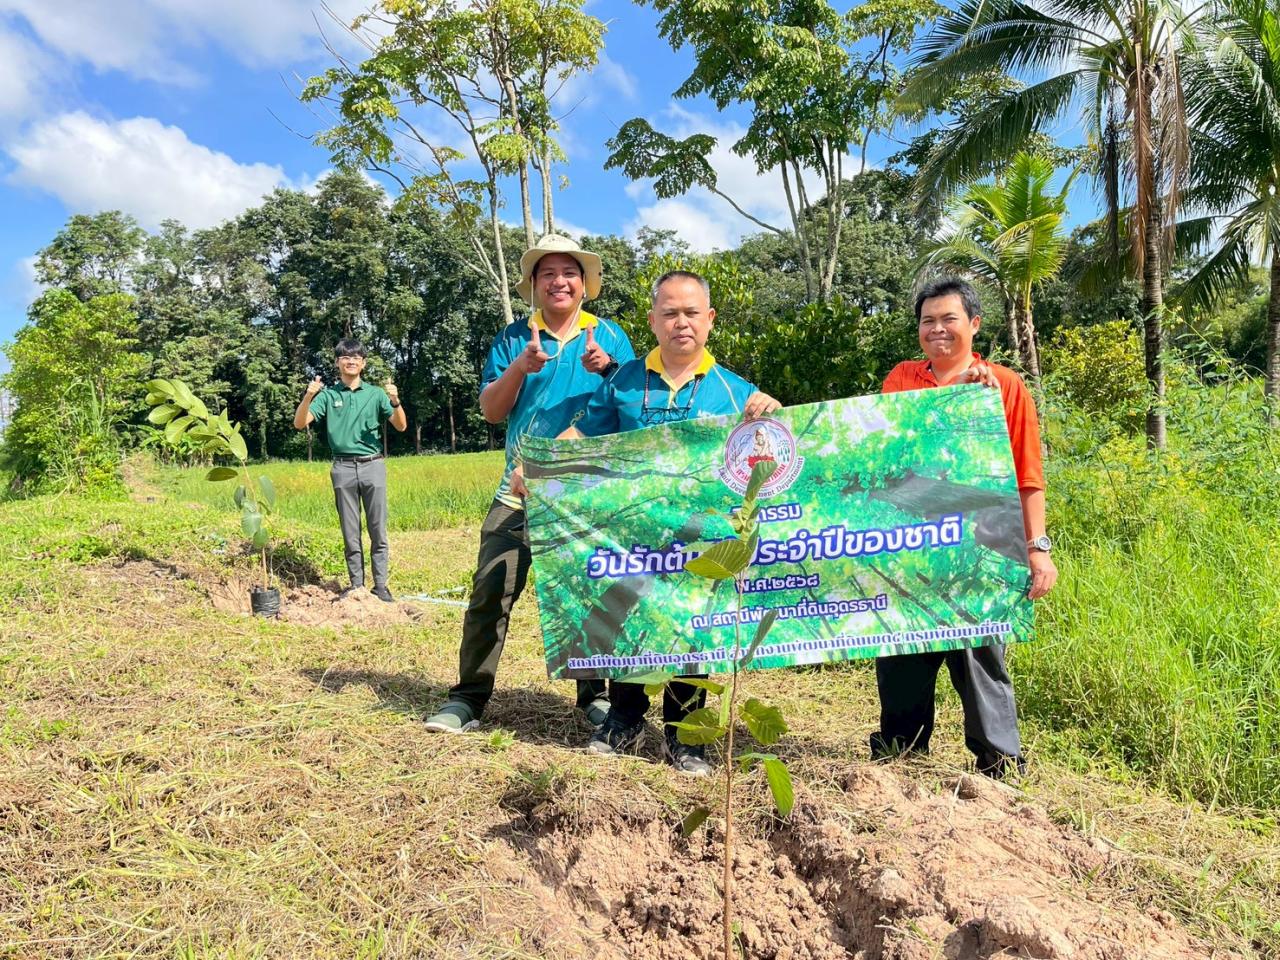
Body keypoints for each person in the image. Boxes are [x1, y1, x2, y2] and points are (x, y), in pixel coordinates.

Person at [544, 269, 781, 776]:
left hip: (703, 541)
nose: (681, 323)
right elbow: (584, 436)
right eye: (669, 313)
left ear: (710, 320)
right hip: (634, 536)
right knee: (628, 618)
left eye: (691, 313)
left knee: (695, 631)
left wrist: (772, 412)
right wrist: (536, 468)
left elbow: (772, 451)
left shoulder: (736, 391)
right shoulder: (624, 381)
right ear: (653, 321)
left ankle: (687, 738)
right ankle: (625, 720)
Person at [424, 234, 636, 734]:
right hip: (518, 491)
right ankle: (468, 698)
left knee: (590, 595)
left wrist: (608, 368)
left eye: (569, 273)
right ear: (535, 286)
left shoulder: (611, 338)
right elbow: (492, 412)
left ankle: (595, 696)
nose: (559, 281)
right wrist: (521, 367)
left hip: (586, 494)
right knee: (490, 593)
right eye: (548, 274)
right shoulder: (513, 339)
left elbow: (631, 412)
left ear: (585, 284)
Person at [870, 275, 1058, 777]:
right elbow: (891, 455)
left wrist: (1037, 547)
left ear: (973, 324)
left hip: (981, 544)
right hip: (910, 545)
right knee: (903, 649)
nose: (938, 329)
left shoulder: (1005, 387)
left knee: (979, 653)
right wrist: (956, 403)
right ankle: (900, 756)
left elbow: (1028, 473)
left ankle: (999, 764)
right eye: (927, 321)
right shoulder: (902, 380)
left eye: (948, 319)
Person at [293, 338, 407, 602]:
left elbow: (400, 426)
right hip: (342, 467)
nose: (351, 361)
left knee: (378, 529)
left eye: (356, 357)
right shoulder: (329, 395)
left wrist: (395, 400)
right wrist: (309, 395)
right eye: (346, 357)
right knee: (350, 530)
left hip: (373, 464)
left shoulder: (377, 394)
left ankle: (381, 585)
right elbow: (300, 423)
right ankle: (356, 585)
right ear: (338, 363)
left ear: (363, 363)